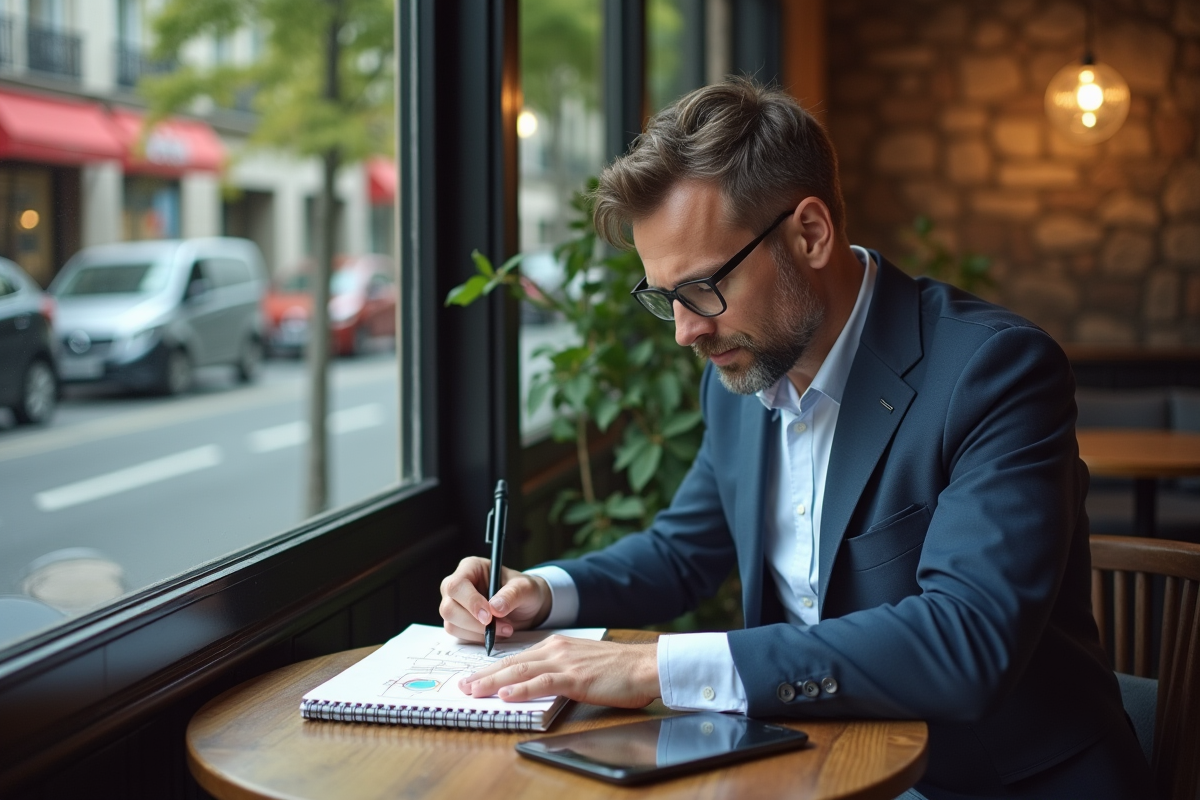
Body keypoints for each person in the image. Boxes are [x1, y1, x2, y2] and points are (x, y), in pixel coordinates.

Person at [439, 77, 1153, 799]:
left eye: (703, 289)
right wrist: (538, 592)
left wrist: (658, 667)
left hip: (998, 785)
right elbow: (683, 552)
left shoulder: (994, 371)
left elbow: (965, 639)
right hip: (817, 768)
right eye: (666, 298)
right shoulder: (742, 375)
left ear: (809, 234)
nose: (686, 331)